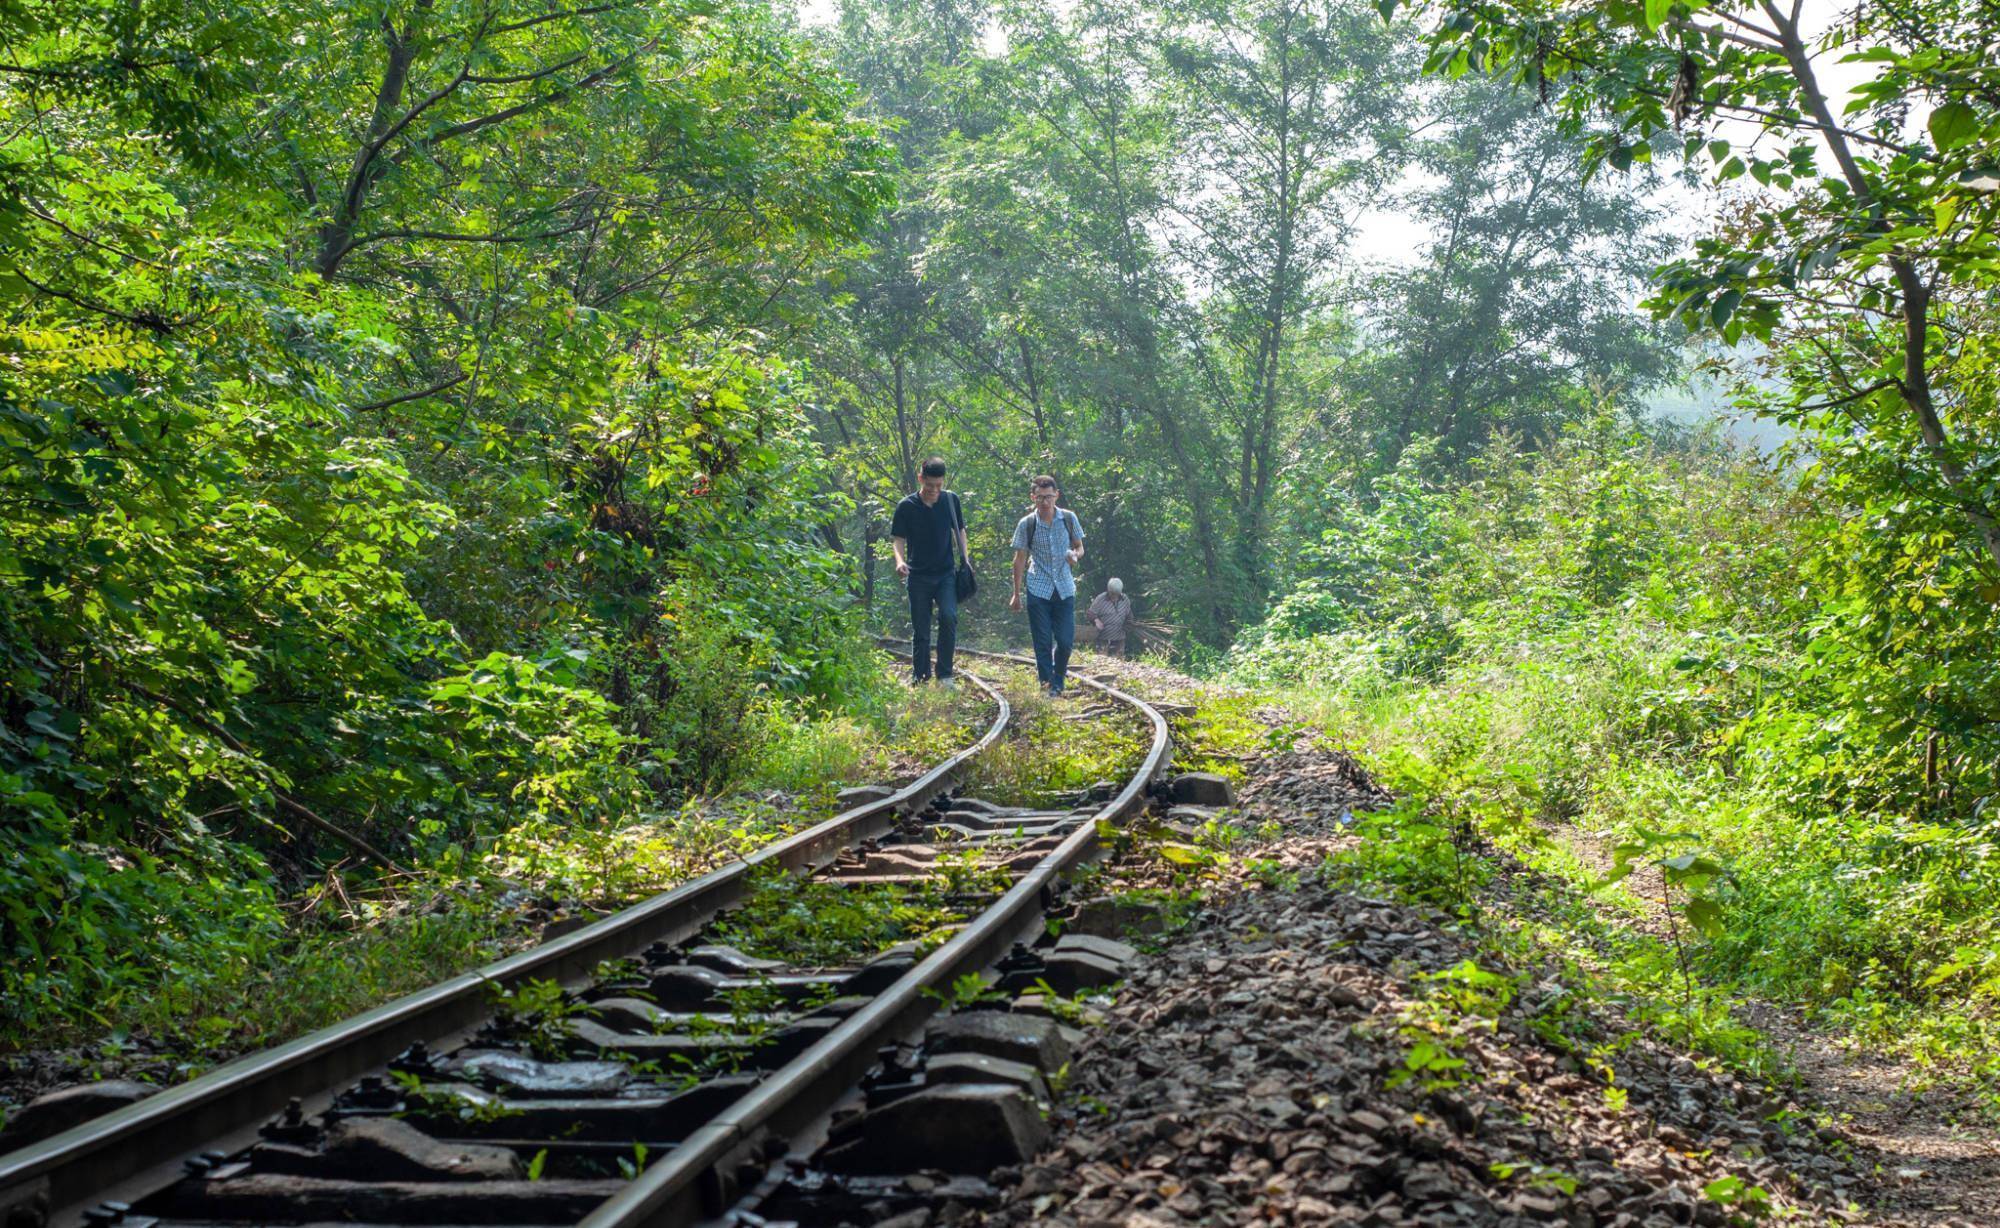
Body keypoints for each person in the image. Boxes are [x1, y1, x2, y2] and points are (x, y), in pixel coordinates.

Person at [890, 457, 969, 685]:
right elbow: (898, 539)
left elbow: (960, 531)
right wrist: (899, 561)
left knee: (949, 616)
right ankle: (920, 676)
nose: (934, 490)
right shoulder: (906, 506)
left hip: (945, 574)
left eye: (938, 485)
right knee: (921, 628)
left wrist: (966, 559)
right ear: (920, 478)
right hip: (918, 576)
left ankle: (944, 674)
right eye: (930, 485)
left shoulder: (951, 500)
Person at [1009, 474, 1084, 695]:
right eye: (1040, 497)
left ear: (1056, 496)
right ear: (1033, 497)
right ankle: (1048, 685)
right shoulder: (1027, 524)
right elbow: (1020, 559)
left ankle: (1059, 678)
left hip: (1064, 588)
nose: (1045, 502)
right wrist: (1016, 594)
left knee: (1065, 641)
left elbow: (1080, 547)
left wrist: (1075, 556)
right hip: (1038, 588)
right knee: (1042, 642)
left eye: (1049, 497)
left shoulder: (1069, 518)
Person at [1087, 577, 1133, 659]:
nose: (1114, 596)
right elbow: (1090, 613)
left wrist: (1129, 624)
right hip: (1103, 638)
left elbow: (1129, 615)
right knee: (1102, 661)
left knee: (1118, 661)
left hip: (1119, 638)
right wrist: (1096, 620)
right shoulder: (1100, 599)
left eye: (1116, 594)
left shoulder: (1125, 599)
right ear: (1108, 591)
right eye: (1112, 593)